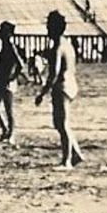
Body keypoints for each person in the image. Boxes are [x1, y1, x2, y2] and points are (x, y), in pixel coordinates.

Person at [34, 10, 84, 169]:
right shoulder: (67, 44)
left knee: (62, 124)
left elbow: (53, 73)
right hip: (71, 84)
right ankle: (75, 153)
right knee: (62, 123)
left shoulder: (58, 47)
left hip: (61, 86)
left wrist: (42, 93)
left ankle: (66, 161)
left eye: (49, 26)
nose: (47, 29)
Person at [0, 21, 27, 143]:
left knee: (8, 109)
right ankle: (5, 130)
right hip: (0, 79)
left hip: (7, 81)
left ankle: (11, 134)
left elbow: (20, 63)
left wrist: (13, 77)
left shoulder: (10, 46)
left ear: (8, 33)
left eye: (2, 30)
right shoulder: (4, 46)